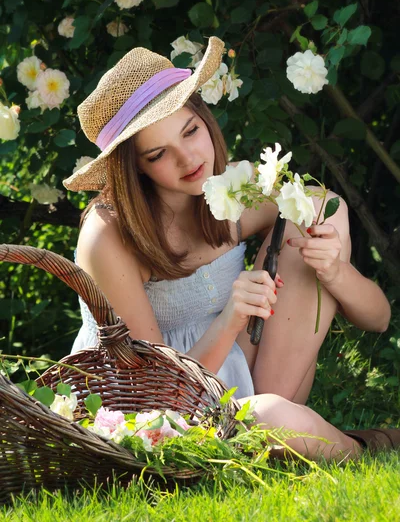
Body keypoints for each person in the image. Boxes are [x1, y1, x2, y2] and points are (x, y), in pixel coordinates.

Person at [63, 36, 399, 461]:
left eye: (190, 131)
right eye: (158, 154)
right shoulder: (108, 234)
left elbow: (379, 319)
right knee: (272, 417)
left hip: (245, 379)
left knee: (317, 206)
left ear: (205, 119)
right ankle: (360, 447)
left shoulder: (234, 190)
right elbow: (158, 393)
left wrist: (335, 271)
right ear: (134, 168)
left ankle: (278, 431)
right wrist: (229, 319)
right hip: (156, 407)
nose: (189, 160)